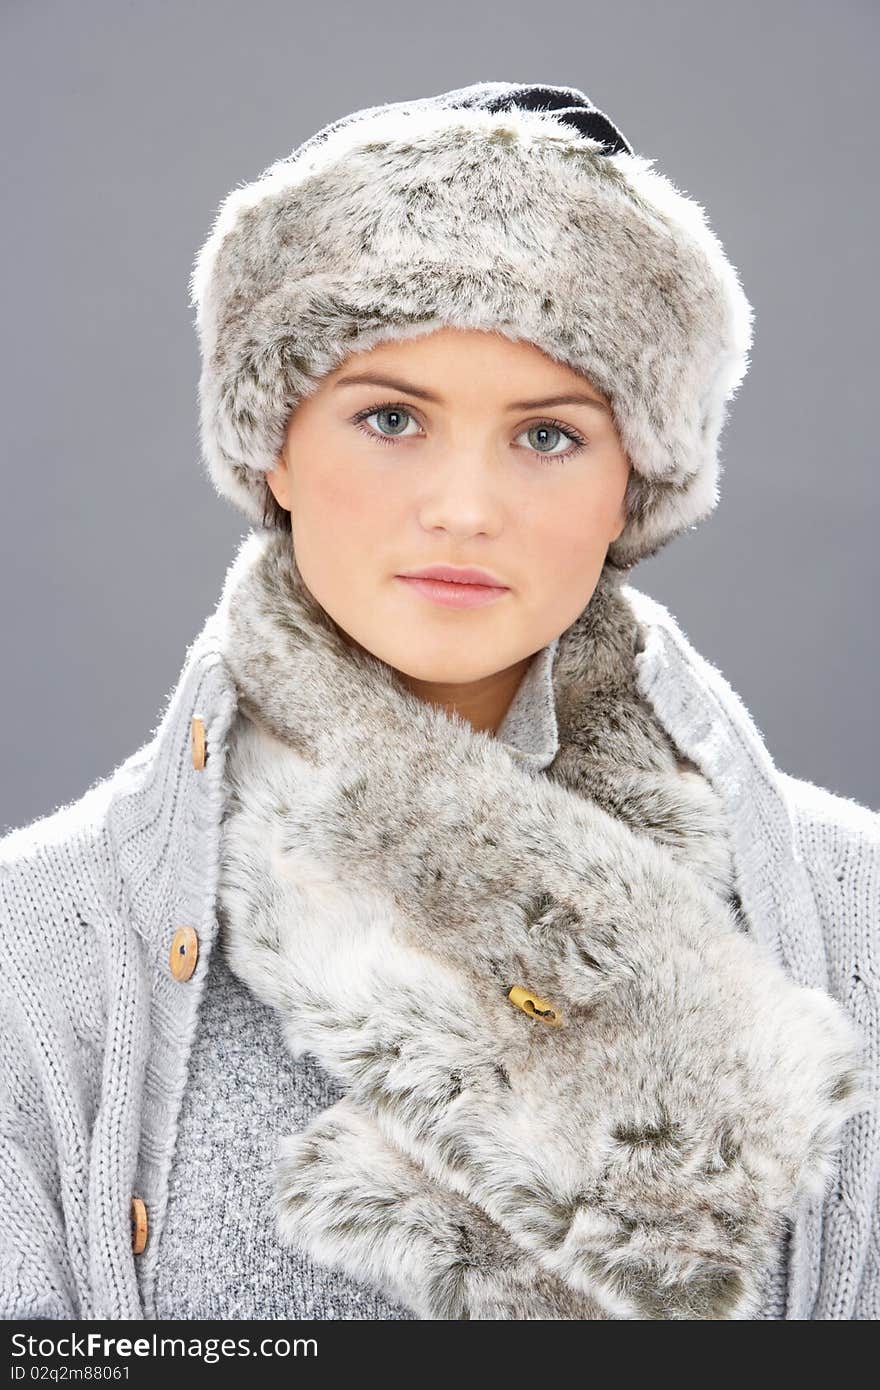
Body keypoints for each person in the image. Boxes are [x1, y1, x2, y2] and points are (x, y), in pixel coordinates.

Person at [1, 81, 877, 1323]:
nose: (465, 507)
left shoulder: (857, 919)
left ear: (635, 479)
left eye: (548, 435)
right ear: (273, 449)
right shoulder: (33, 949)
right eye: (392, 417)